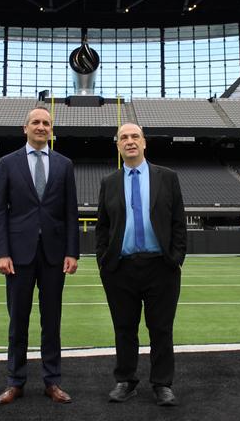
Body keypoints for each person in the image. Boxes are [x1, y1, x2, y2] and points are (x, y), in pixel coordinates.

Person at [0, 106, 79, 405]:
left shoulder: (65, 164)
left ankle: (52, 381)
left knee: (51, 321)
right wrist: (1, 253)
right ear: (25, 128)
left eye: (46, 123)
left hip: (54, 255)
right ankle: (15, 381)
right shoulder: (7, 163)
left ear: (51, 129)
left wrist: (72, 252)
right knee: (18, 321)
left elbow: (70, 212)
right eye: (36, 122)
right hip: (18, 255)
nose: (41, 126)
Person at [96, 123, 186, 407]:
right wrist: (104, 262)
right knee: (124, 328)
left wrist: (175, 259)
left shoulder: (167, 177)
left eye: (135, 136)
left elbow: (179, 223)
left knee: (161, 328)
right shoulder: (109, 182)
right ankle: (126, 380)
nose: (130, 141)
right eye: (124, 137)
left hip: (160, 266)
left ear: (144, 143)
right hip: (121, 268)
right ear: (118, 145)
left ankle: (162, 384)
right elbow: (102, 228)